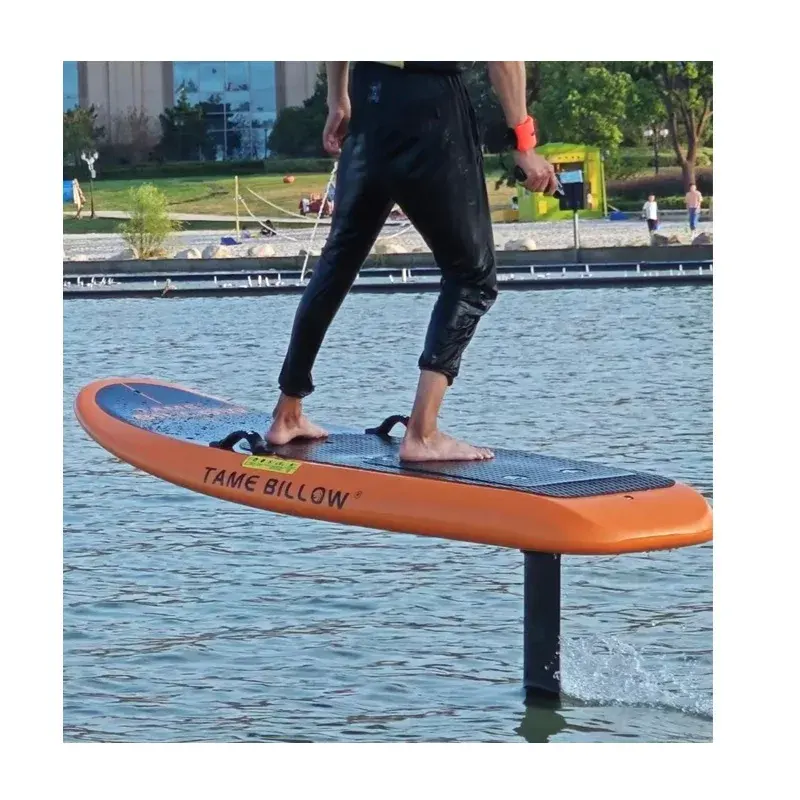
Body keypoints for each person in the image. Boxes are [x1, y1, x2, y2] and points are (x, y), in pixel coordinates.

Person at [266, 61, 557, 462]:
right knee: (472, 278)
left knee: (337, 263)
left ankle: (287, 413)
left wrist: (338, 98)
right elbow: (504, 60)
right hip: (431, 109)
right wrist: (525, 145)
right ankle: (422, 434)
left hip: (369, 99)